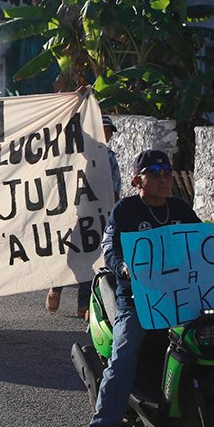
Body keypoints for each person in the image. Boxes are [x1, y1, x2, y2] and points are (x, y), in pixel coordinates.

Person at [84, 150, 201, 427]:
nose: (164, 178)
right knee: (123, 357)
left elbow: (203, 243)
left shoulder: (180, 209)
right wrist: (122, 266)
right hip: (138, 299)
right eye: (156, 172)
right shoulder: (126, 210)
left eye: (167, 172)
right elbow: (110, 249)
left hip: (181, 296)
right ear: (138, 180)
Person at [47, 115, 123, 318]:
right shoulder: (78, 153)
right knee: (70, 255)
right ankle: (57, 285)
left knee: (90, 256)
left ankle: (84, 304)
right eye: (104, 130)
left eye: (109, 132)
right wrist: (77, 101)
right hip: (73, 213)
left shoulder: (109, 157)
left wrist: (112, 212)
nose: (107, 135)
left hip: (98, 215)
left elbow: (115, 186)